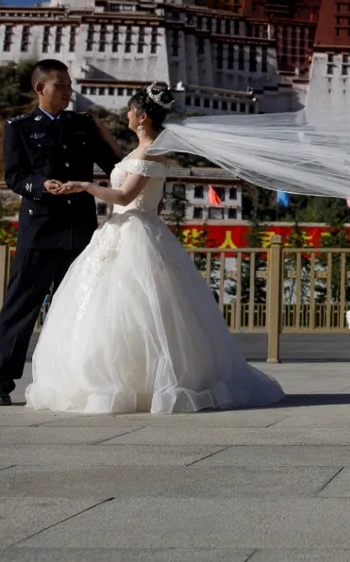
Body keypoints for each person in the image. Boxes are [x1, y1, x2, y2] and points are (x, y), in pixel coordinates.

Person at [22, 82, 285, 413]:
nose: (127, 116)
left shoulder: (149, 153)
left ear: (142, 117)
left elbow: (124, 196)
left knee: (135, 306)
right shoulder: (143, 151)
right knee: (121, 306)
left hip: (134, 230)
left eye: (130, 112)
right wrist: (101, 131)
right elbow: (127, 173)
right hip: (126, 230)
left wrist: (85, 186)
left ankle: (138, 380)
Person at [0, 59, 122, 406]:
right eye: (60, 86)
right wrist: (40, 185)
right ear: (40, 88)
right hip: (40, 227)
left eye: (69, 85)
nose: (67, 92)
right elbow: (14, 176)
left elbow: (114, 166)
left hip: (79, 228)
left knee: (80, 305)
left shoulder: (82, 125)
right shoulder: (19, 127)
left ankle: (75, 379)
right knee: (21, 305)